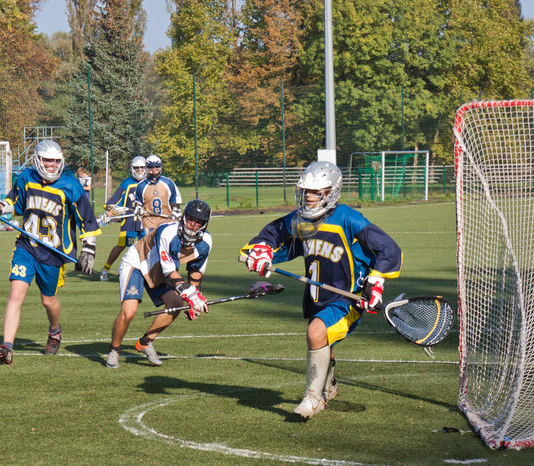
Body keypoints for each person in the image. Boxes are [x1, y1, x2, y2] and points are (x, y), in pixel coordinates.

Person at [242, 161, 402, 419]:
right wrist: (262, 250)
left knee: (316, 332)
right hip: (317, 295)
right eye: (306, 190)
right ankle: (329, 385)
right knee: (324, 339)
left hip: (347, 297)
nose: (308, 196)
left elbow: (389, 248)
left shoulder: (347, 217)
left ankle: (313, 398)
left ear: (331, 192)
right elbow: (274, 232)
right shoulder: (301, 219)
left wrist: (376, 282)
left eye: (316, 192)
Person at [0, 140, 101, 365]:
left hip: (53, 252)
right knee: (16, 293)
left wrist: (88, 250)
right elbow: (13, 202)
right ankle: (7, 347)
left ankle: (54, 330)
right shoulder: (26, 177)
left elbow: (88, 220)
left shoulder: (71, 186)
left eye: (55, 161)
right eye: (47, 160)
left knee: (48, 300)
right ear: (38, 159)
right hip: (26, 246)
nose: (52, 165)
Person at [106, 199, 213, 368]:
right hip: (138, 263)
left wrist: (194, 298)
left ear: (205, 224)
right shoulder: (167, 232)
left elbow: (195, 272)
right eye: (191, 219)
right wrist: (191, 296)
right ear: (184, 217)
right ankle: (114, 350)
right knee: (129, 312)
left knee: (177, 304)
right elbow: (170, 274)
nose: (193, 224)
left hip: (162, 271)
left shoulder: (206, 243)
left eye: (198, 221)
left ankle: (146, 342)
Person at [99, 155, 147, 281]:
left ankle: (147, 273)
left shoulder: (150, 183)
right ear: (132, 169)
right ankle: (105, 269)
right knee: (121, 246)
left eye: (142, 167)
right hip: (130, 220)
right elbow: (117, 201)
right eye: (137, 168)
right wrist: (109, 214)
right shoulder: (127, 183)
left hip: (146, 220)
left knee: (148, 247)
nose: (140, 170)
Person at [134, 154, 182, 235]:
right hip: (149, 222)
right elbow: (138, 202)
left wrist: (176, 211)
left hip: (167, 220)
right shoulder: (141, 185)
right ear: (146, 168)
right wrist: (138, 207)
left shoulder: (168, 183)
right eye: (151, 168)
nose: (154, 171)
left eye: (156, 168)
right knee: (151, 246)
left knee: (167, 245)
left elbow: (175, 200)